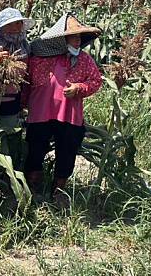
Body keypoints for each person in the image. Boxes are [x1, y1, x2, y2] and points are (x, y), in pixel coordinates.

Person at [23, 13, 102, 208]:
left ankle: (59, 190)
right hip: (41, 114)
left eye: (80, 37)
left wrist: (79, 88)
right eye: (74, 36)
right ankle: (33, 187)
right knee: (35, 149)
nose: (78, 41)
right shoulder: (39, 59)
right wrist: (22, 104)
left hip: (69, 116)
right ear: (61, 39)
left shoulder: (84, 60)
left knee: (67, 151)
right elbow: (26, 82)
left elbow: (95, 81)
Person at [0, 7, 35, 170]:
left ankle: (8, 171)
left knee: (11, 135)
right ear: (1, 28)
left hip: (14, 98)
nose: (16, 27)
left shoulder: (25, 47)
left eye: (18, 23)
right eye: (11, 24)